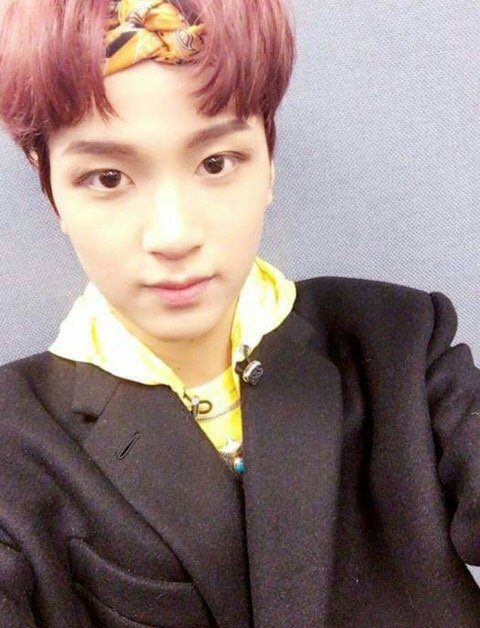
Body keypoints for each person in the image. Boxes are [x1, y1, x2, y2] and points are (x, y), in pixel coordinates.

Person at [0, 0, 479, 625]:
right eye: (108, 178)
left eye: (216, 163)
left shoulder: (399, 342)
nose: (173, 235)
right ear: (50, 189)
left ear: (269, 160)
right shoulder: (12, 440)